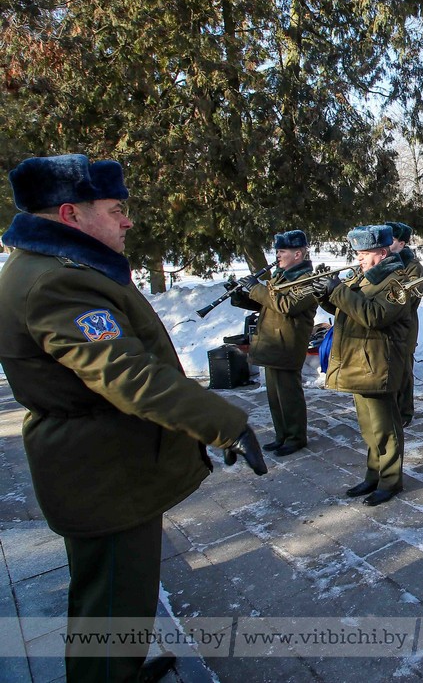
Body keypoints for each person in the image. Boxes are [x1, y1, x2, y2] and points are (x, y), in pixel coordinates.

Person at [0, 154, 267, 682]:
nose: (127, 221)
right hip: (105, 470)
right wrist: (224, 422)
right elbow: (126, 372)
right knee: (112, 597)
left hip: (102, 462)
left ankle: (116, 669)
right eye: (115, 209)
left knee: (115, 593)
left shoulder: (56, 267)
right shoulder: (56, 281)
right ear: (71, 213)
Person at [318, 224, 412, 507]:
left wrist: (339, 292)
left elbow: (374, 315)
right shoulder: (364, 277)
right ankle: (374, 474)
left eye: (364, 253)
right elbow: (347, 309)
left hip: (379, 364)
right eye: (358, 253)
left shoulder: (396, 282)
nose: (358, 258)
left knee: (385, 429)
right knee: (369, 428)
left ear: (382, 253)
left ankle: (391, 480)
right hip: (360, 362)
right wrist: (326, 293)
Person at [231, 230, 318, 456]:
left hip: (287, 344)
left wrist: (257, 288)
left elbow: (286, 305)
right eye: (277, 251)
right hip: (272, 342)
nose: (277, 255)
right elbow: (267, 304)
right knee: (274, 396)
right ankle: (282, 435)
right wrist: (241, 296)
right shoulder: (280, 276)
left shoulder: (308, 280)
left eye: (282, 251)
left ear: (298, 254)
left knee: (289, 395)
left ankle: (296, 437)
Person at [386, 221, 423, 428]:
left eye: (391, 240)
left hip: (405, 327)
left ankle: (404, 412)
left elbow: (411, 298)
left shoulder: (412, 266)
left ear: (402, 244)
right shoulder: (383, 262)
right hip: (386, 327)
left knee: (403, 371)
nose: (386, 244)